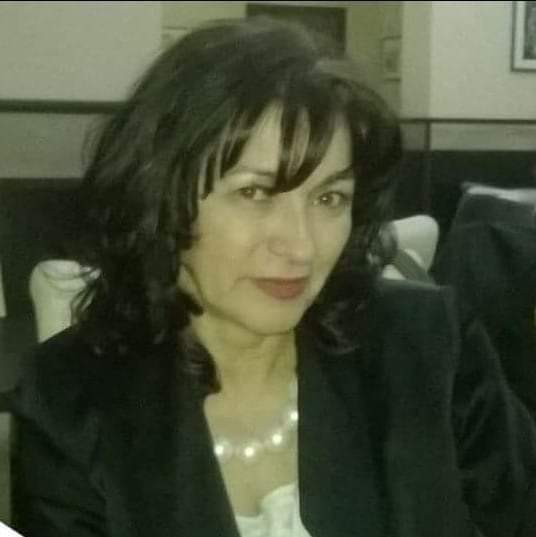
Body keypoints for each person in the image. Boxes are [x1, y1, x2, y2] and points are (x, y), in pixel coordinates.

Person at [9, 17, 536, 537]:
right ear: (162, 197)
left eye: (329, 198)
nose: (301, 246)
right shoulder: (70, 399)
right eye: (255, 193)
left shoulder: (429, 348)